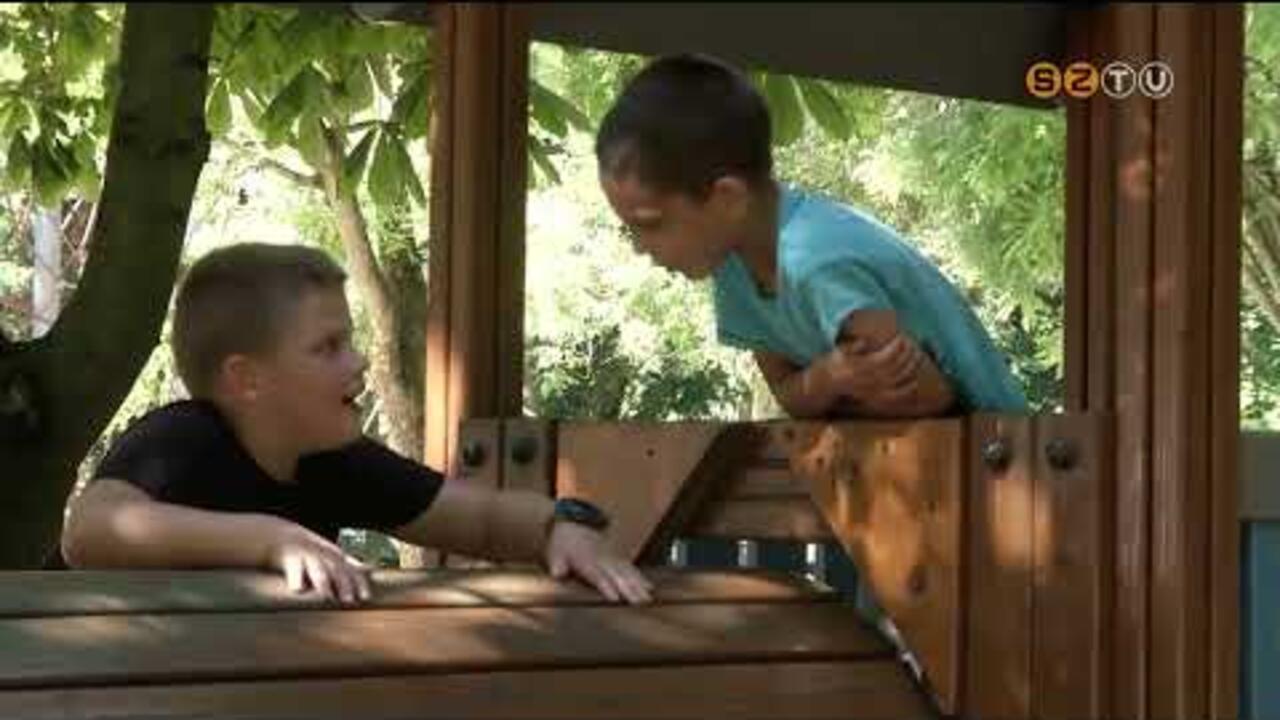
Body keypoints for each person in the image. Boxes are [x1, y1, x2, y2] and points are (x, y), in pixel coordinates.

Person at [60, 243, 652, 606]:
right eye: (329, 347)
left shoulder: (333, 460)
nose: (361, 361)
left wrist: (561, 526)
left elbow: (485, 520)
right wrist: (272, 540)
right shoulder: (184, 437)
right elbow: (89, 532)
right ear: (247, 379)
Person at [595, 54, 1028, 418]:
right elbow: (789, 396)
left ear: (727, 198)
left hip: (993, 444)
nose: (641, 248)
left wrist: (825, 389)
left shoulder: (818, 263)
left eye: (649, 224)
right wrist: (829, 377)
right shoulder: (731, 269)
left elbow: (923, 398)